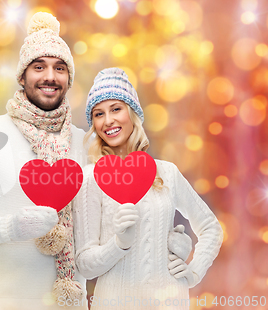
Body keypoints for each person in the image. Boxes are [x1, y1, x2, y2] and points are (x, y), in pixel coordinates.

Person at [0, 12, 89, 309]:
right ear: (22, 76)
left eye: (59, 68)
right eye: (39, 67)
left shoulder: (84, 143)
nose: (50, 76)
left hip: (70, 303)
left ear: (69, 78)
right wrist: (10, 228)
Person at [73, 68, 223, 310]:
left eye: (116, 109)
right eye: (98, 114)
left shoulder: (167, 173)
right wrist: (119, 243)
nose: (108, 120)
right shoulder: (91, 178)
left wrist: (194, 270)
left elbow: (211, 228)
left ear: (133, 114)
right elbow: (85, 264)